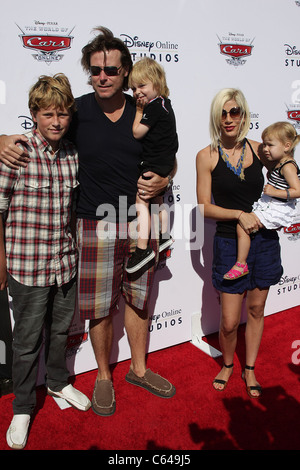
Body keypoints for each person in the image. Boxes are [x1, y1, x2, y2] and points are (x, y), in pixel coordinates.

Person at [0, 27, 176, 418]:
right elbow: (43, 131)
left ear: (126, 72)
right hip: (94, 224)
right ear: (88, 72)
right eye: (96, 70)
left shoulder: (147, 110)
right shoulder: (76, 111)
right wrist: (0, 138)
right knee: (98, 307)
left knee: (140, 301)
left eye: (112, 70)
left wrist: (165, 176)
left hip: (139, 222)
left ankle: (139, 369)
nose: (103, 77)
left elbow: (169, 154)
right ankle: (102, 376)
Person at [0, 74, 91, 450]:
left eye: (63, 114)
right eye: (48, 114)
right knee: (24, 343)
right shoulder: (16, 153)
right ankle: (22, 406)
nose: (56, 121)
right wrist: (0, 262)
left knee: (58, 332)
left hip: (64, 263)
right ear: (34, 114)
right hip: (26, 265)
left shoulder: (73, 155)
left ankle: (58, 382)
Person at [196, 88, 283, 398]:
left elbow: (286, 181)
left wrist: (276, 209)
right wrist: (238, 215)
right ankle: (228, 364)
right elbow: (203, 206)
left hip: (265, 242)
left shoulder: (262, 151)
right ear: (216, 117)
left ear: (244, 115)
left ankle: (249, 368)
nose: (229, 118)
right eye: (223, 112)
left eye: (235, 112)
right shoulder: (206, 155)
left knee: (257, 309)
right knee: (230, 322)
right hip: (229, 244)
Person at [224, 121, 300, 280]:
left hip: (276, 207)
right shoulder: (280, 164)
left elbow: (297, 190)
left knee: (242, 225)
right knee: (246, 225)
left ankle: (241, 263)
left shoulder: (288, 166)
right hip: (270, 204)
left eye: (270, 145)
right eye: (264, 144)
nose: (265, 149)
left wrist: (274, 191)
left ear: (287, 146)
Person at [125, 57, 178, 274]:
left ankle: (142, 248)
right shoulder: (167, 104)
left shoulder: (154, 107)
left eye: (142, 86)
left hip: (154, 163)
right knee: (157, 198)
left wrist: (138, 112)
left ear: (157, 82)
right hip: (165, 162)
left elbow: (137, 132)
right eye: (133, 88)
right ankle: (164, 236)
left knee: (142, 200)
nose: (137, 92)